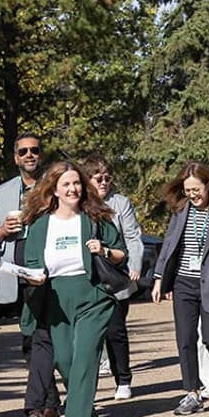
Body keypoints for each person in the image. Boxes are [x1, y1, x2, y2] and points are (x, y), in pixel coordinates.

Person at [22, 161, 127, 417]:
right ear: (53, 189)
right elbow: (31, 266)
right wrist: (33, 276)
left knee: (84, 360)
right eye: (66, 184)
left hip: (92, 296)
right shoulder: (41, 225)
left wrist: (104, 250)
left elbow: (121, 253)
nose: (73, 189)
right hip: (55, 299)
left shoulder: (94, 218)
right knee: (65, 361)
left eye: (77, 183)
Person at [152, 162, 209, 415]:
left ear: (208, 185)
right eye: (187, 190)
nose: (192, 195)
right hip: (184, 283)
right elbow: (169, 245)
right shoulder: (181, 211)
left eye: (196, 189)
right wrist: (159, 277)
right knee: (185, 338)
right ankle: (191, 392)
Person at [0, 133, 61, 417]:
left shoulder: (53, 186)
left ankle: (42, 405)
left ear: (41, 155)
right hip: (16, 272)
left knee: (42, 336)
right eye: (23, 151)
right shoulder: (2, 192)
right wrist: (2, 231)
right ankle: (50, 404)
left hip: (46, 271)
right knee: (30, 341)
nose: (29, 155)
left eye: (34, 150)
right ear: (15, 157)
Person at [83, 154, 144, 400]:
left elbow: (132, 235)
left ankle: (123, 379)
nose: (104, 183)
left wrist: (134, 264)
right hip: (88, 276)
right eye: (98, 178)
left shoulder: (120, 203)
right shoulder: (80, 204)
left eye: (108, 178)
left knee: (116, 329)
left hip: (116, 272)